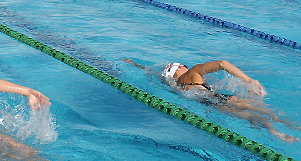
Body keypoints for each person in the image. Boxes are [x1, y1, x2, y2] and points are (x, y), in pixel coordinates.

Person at [122, 58, 299, 143]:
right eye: (182, 65)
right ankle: (292, 126)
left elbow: (151, 73)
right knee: (266, 112)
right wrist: (249, 81)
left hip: (212, 103)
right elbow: (222, 63)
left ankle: (277, 134)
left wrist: (133, 64)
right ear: (179, 69)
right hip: (219, 98)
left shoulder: (175, 85)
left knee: (255, 118)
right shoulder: (191, 73)